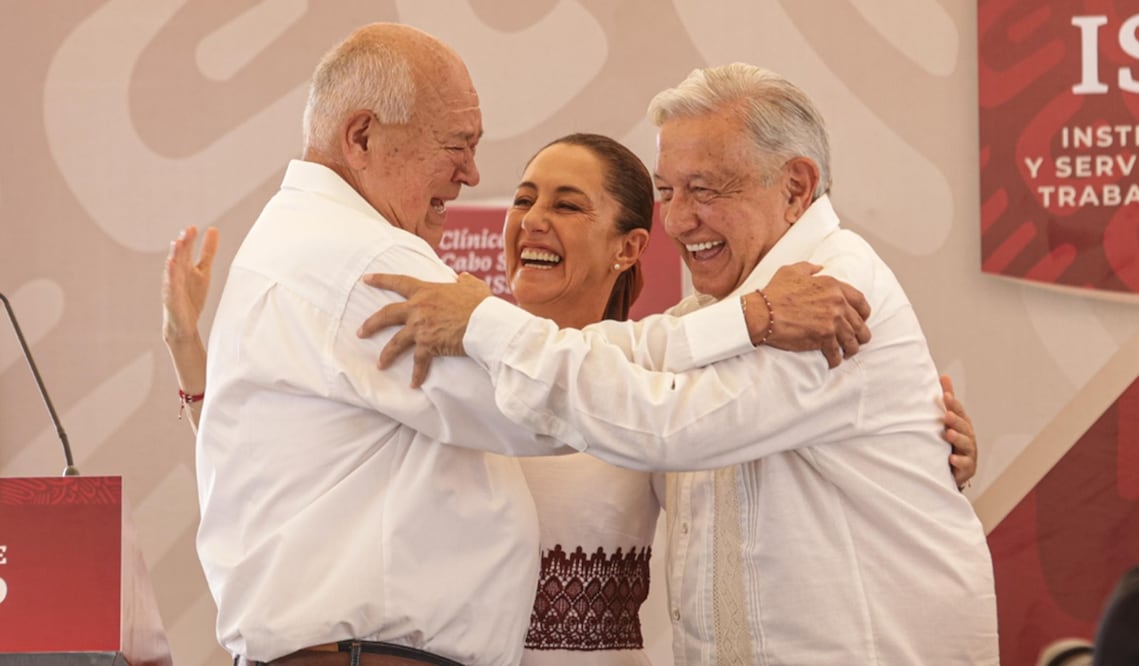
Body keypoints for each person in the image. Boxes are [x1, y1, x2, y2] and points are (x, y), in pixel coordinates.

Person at [188, 23, 878, 666]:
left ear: (627, 248)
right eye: (456, 145)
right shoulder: (363, 262)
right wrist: (747, 318)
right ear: (362, 136)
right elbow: (535, 399)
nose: (468, 175)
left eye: (568, 205)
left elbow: (712, 447)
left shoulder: (328, 248)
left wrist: (891, 424)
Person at [359, 63, 1000, 664]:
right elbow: (643, 352)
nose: (682, 218)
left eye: (705, 189)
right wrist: (487, 328)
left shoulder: (830, 294)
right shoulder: (724, 308)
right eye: (669, 191)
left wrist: (486, 325)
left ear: (797, 187)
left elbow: (670, 424)